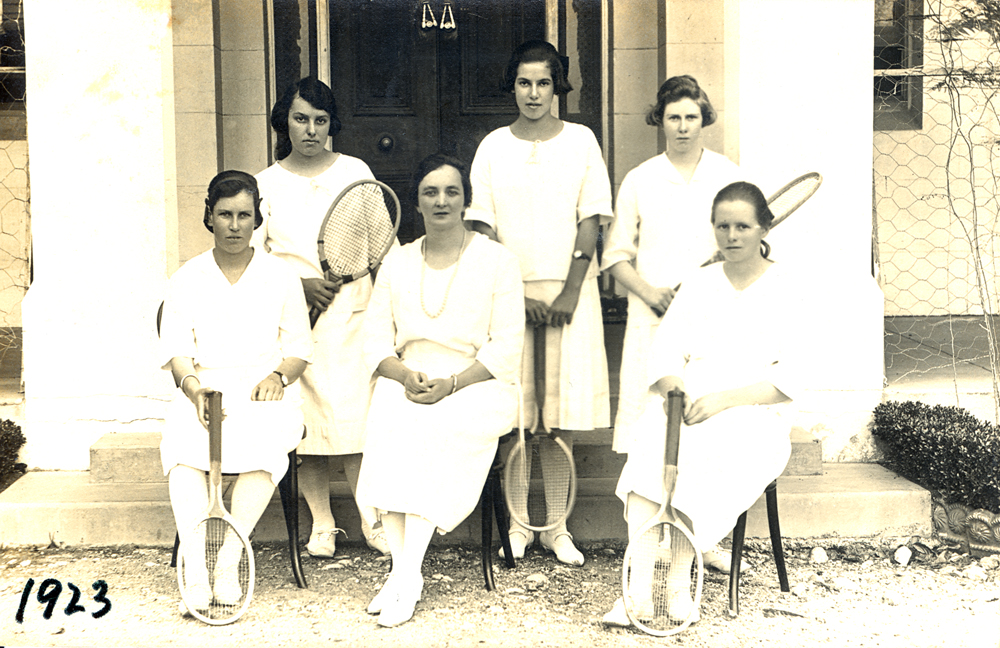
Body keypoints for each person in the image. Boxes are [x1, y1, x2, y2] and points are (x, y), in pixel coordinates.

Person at [602, 181, 808, 627]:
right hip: (692, 396)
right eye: (722, 226)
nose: (732, 236)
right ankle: (638, 590)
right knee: (652, 438)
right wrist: (675, 391)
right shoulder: (699, 282)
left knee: (708, 448)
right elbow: (665, 352)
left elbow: (792, 377)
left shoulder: (788, 285)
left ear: (763, 228)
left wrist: (722, 402)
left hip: (754, 409)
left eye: (742, 226)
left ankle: (678, 585)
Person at [355, 154, 524, 627]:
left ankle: (406, 574)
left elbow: (506, 347)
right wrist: (403, 374)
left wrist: (452, 384)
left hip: (477, 383)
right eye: (430, 192)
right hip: (410, 377)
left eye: (452, 191)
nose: (442, 201)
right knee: (390, 416)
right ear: (417, 202)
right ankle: (403, 572)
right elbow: (375, 342)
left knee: (434, 426)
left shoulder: (498, 261)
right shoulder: (397, 262)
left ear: (466, 199)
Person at [466, 40, 612, 566]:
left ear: (557, 88)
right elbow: (482, 227)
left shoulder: (581, 141)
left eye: (543, 83)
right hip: (509, 295)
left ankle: (556, 527)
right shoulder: (492, 146)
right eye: (524, 82)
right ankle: (519, 525)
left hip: (570, 294)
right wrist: (514, 294)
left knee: (559, 413)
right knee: (518, 412)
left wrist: (571, 289)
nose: (533, 93)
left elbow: (591, 218)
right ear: (512, 86)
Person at [601, 74, 744, 574]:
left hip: (710, 322)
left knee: (703, 427)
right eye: (673, 117)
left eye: (691, 117)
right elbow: (615, 257)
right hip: (652, 320)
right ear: (659, 121)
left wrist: (707, 289)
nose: (682, 126)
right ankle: (647, 539)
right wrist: (653, 294)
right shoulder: (640, 179)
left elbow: (746, 248)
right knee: (649, 427)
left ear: (704, 120)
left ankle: (702, 538)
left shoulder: (727, 175)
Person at [159, 170, 312, 612]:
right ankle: (194, 567)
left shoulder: (280, 275)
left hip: (265, 388)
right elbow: (178, 355)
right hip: (204, 387)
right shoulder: (187, 277)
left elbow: (299, 350)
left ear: (257, 218)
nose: (234, 225)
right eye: (225, 214)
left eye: (244, 215)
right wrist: (194, 391)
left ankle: (229, 561)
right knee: (183, 445)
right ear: (210, 216)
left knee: (266, 442)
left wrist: (277, 377)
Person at [252, 77, 389, 557]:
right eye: (301, 119)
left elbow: (381, 244)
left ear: (332, 125)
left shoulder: (356, 171)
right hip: (296, 319)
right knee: (306, 425)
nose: (311, 130)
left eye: (320, 120)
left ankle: (372, 520)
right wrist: (300, 286)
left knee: (356, 422)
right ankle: (323, 523)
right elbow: (256, 257)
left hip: (354, 313)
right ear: (284, 122)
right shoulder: (265, 184)